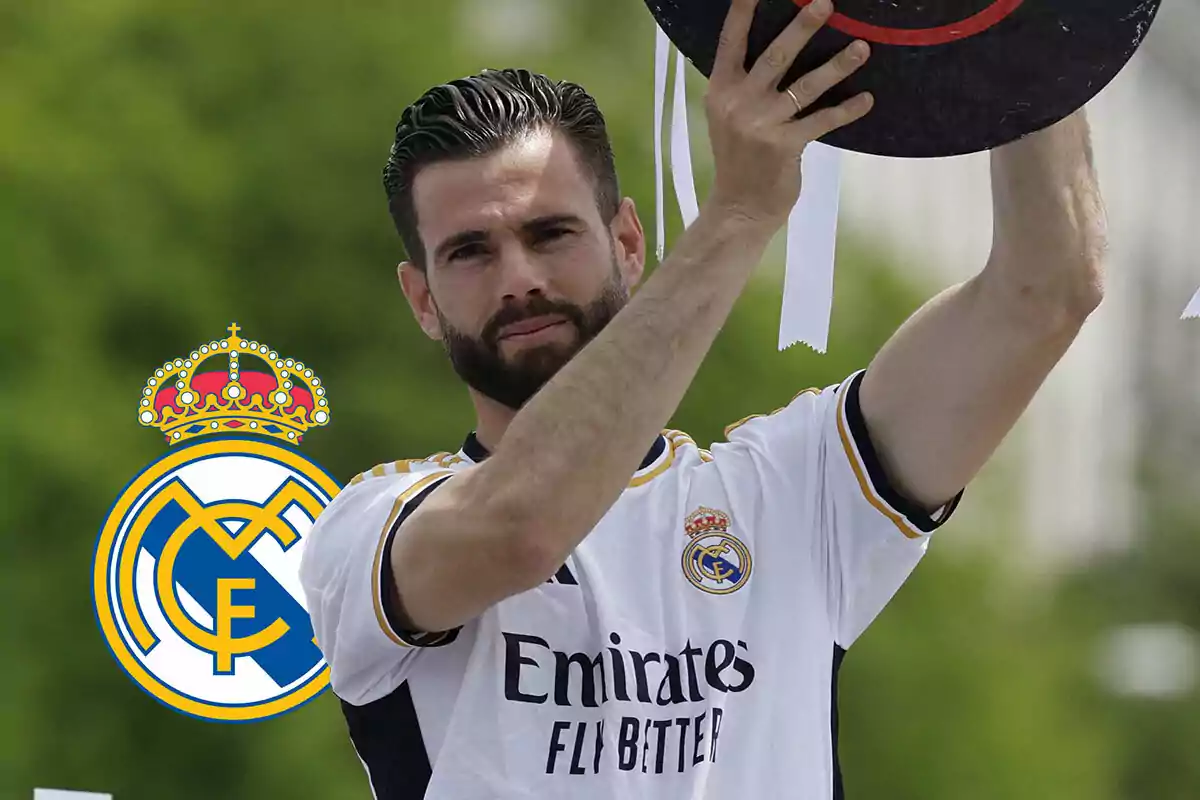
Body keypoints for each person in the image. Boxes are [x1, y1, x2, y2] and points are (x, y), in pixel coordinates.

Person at [298, 0, 1107, 796]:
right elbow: (523, 530)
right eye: (471, 252)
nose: (520, 281)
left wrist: (1017, 30)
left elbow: (1047, 289)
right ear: (422, 299)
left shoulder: (793, 493)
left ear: (626, 240)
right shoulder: (365, 531)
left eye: (552, 234)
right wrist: (741, 211)